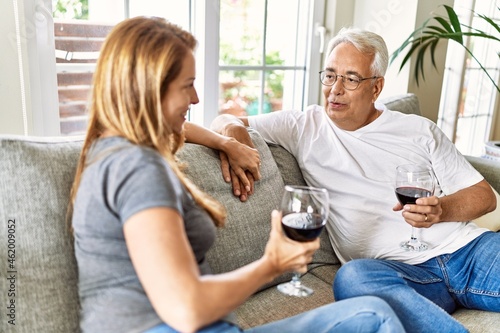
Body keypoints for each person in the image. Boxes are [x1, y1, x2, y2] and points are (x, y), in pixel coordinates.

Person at [69, 17, 405, 333]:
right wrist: (272, 263)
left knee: (372, 314)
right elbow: (185, 308)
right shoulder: (138, 168)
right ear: (148, 91)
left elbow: (182, 127)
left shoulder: (111, 147)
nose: (196, 97)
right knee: (374, 317)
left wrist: (224, 141)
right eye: (187, 85)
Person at [211, 27, 500, 333]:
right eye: (330, 75)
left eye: (350, 79)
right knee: (352, 278)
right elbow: (224, 119)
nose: (335, 89)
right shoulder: (302, 126)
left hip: (468, 251)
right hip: (396, 273)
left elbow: (484, 196)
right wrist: (233, 139)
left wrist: (440, 209)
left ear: (376, 88)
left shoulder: (419, 130)